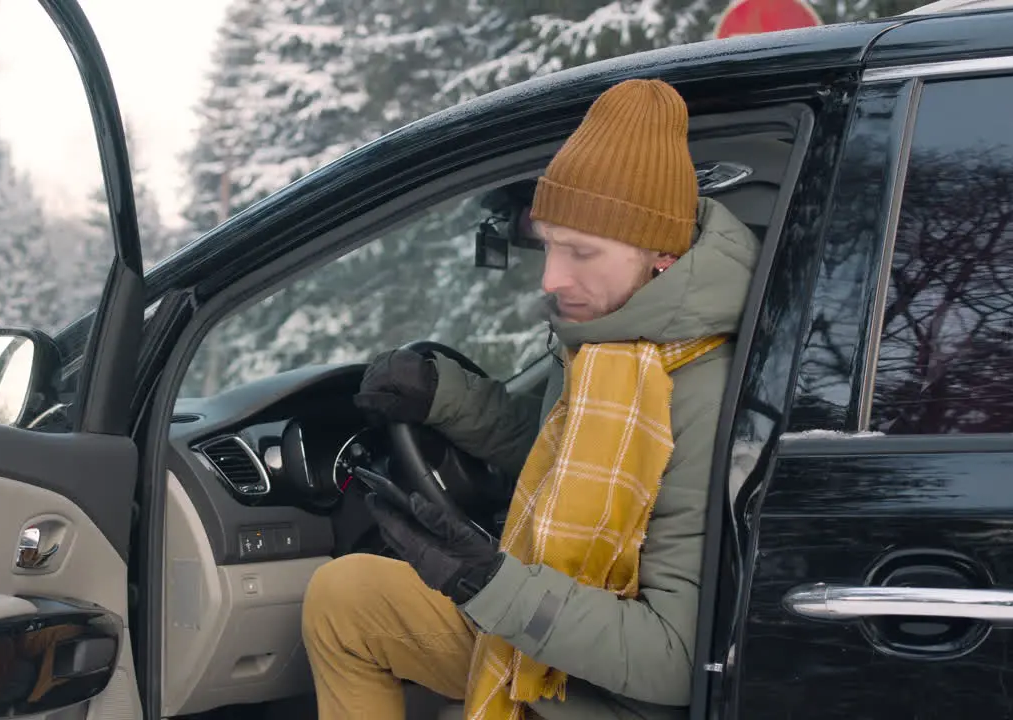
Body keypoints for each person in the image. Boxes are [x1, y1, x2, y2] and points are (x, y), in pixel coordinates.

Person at [301, 79, 761, 720]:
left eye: (581, 252)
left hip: (618, 695)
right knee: (345, 597)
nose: (550, 278)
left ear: (661, 253)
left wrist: (487, 582)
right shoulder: (605, 344)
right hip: (551, 630)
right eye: (548, 245)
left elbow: (678, 661)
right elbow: (554, 448)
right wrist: (443, 397)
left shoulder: (707, 391)